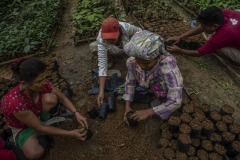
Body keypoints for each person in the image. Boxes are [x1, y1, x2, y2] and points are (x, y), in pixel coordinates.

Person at [0, 58, 88, 160]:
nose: (44, 82)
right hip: (24, 127)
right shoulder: (16, 103)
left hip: (37, 115)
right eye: (39, 81)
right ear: (24, 83)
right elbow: (40, 127)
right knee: (34, 153)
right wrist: (70, 133)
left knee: (51, 98)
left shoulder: (44, 84)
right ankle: (44, 134)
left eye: (44, 78)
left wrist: (76, 113)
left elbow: (62, 98)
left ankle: (47, 124)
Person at [114, 30, 183, 123]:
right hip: (143, 85)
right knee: (118, 93)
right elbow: (130, 83)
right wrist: (128, 107)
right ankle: (152, 98)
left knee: (166, 98)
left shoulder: (168, 67)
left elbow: (176, 101)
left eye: (146, 63)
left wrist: (148, 112)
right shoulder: (132, 62)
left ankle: (158, 98)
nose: (141, 66)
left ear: (158, 56)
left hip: (159, 87)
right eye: (138, 61)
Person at [89, 16, 142, 106]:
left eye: (112, 38)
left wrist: (136, 46)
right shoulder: (102, 38)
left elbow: (140, 32)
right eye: (107, 38)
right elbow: (102, 66)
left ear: (119, 32)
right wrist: (101, 91)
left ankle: (133, 60)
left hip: (127, 47)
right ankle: (111, 58)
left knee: (131, 60)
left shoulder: (126, 28)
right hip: (116, 49)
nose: (109, 40)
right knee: (94, 46)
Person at [167, 6, 240, 64]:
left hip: (232, 33)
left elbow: (200, 53)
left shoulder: (222, 35)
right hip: (235, 28)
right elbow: (201, 27)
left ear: (215, 26)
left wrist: (179, 50)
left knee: (215, 45)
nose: (202, 28)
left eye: (204, 27)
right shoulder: (222, 13)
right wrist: (180, 37)